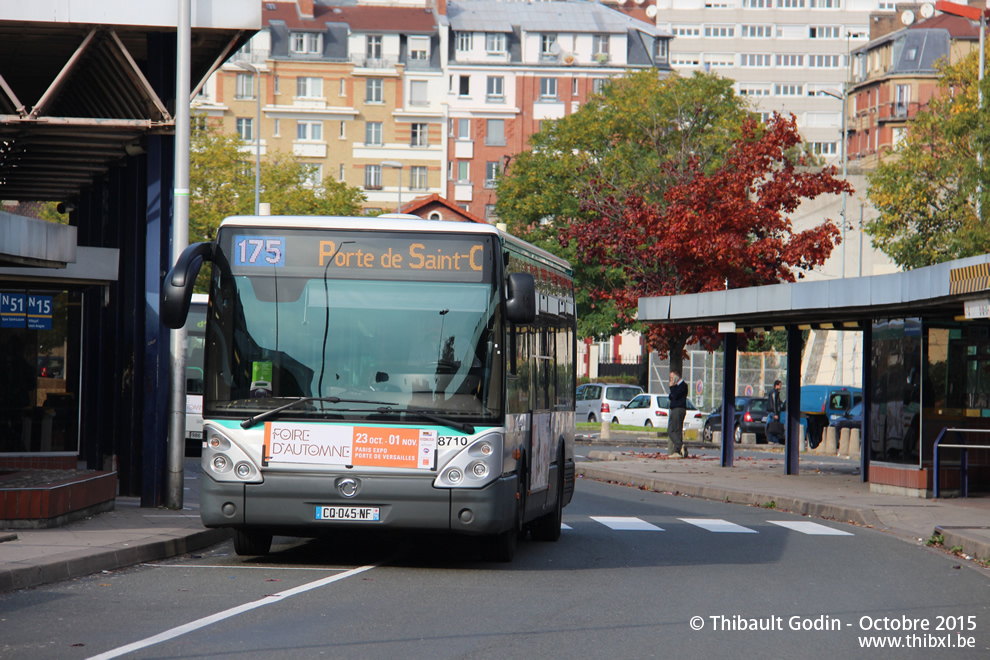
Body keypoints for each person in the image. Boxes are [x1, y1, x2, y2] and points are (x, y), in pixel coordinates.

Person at [667, 370, 688, 458]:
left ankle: (679, 448)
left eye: (672, 378)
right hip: (674, 408)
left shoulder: (683, 386)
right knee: (672, 430)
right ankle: (679, 449)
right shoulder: (677, 386)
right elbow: (670, 396)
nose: (671, 380)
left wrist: (672, 387)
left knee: (675, 429)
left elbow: (675, 396)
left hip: (678, 409)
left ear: (676, 377)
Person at [766, 379, 784, 445]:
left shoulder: (774, 393)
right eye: (780, 385)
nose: (781, 387)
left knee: (774, 426)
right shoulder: (774, 393)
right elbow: (774, 404)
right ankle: (772, 440)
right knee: (773, 426)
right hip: (773, 412)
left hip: (773, 412)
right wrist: (775, 414)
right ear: (776, 386)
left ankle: (774, 440)